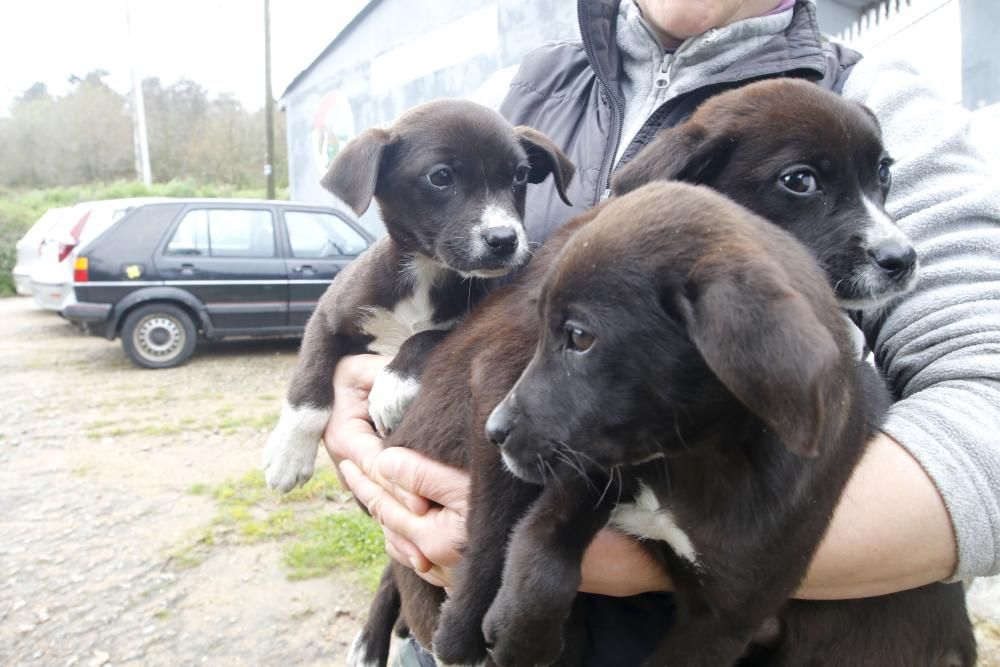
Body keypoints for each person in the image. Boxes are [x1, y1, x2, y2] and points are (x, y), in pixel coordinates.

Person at [326, 0, 1000, 664]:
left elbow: (986, 414)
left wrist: (631, 550)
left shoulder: (875, 98)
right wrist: (353, 421)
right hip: (467, 630)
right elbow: (413, 279)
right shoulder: (520, 93)